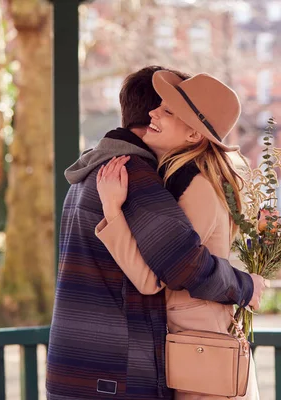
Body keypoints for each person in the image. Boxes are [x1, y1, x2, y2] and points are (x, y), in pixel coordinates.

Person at [46, 66, 267, 400]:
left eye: (168, 109)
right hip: (116, 371)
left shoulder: (95, 171)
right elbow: (178, 267)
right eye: (160, 106)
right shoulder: (129, 175)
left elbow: (180, 264)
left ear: (194, 134)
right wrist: (245, 285)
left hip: (84, 364)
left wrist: (246, 285)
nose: (155, 114)